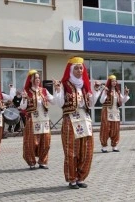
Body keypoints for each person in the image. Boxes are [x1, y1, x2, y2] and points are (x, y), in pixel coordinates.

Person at [53, 56, 101, 189]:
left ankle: (81, 177)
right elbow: (60, 103)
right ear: (71, 70)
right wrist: (57, 90)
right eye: (77, 68)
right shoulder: (64, 85)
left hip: (85, 120)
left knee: (87, 150)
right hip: (70, 120)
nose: (80, 70)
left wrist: (96, 90)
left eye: (81, 68)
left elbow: (91, 104)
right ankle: (72, 179)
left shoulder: (85, 86)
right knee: (71, 151)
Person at [20, 70, 55, 170]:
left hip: (44, 119)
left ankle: (42, 161)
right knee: (31, 142)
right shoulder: (27, 92)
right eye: (35, 78)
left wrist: (58, 90)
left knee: (46, 140)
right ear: (31, 80)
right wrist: (24, 98)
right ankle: (31, 162)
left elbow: (53, 101)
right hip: (32, 119)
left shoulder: (44, 90)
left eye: (39, 78)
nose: (37, 80)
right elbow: (22, 107)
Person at [99, 74, 130, 153]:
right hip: (107, 112)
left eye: (115, 81)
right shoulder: (106, 90)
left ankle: (114, 146)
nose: (114, 82)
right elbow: (101, 101)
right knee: (106, 129)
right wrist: (105, 92)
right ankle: (104, 146)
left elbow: (122, 101)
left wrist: (126, 94)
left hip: (115, 112)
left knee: (115, 129)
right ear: (109, 82)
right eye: (112, 81)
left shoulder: (117, 91)